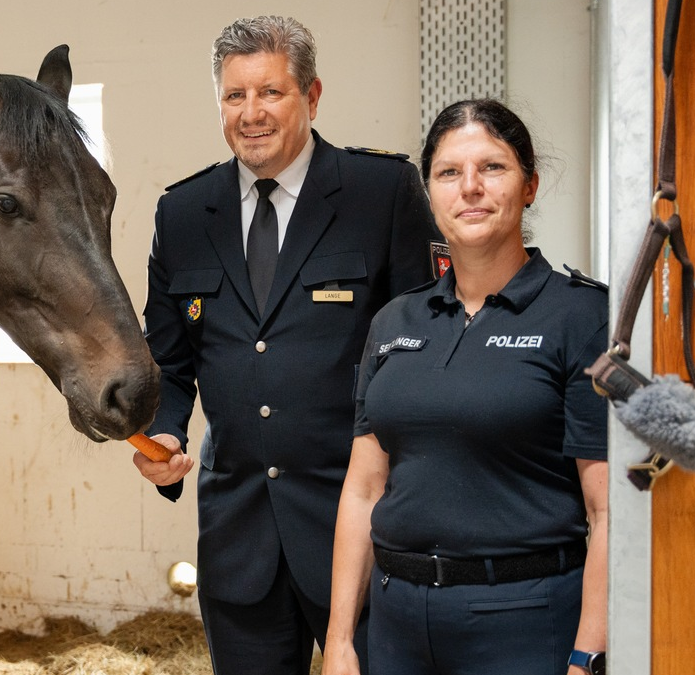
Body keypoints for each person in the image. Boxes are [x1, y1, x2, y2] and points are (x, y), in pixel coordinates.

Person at [134, 15, 443, 675]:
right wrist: (164, 431)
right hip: (237, 537)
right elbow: (169, 360)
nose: (251, 113)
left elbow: (426, 347)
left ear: (312, 95)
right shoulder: (182, 213)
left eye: (270, 92)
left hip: (363, 530)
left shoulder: (380, 192)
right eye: (234, 95)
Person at [322, 98, 609, 675]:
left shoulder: (582, 317)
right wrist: (340, 639)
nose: (470, 187)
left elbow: (608, 512)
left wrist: (588, 657)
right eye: (449, 172)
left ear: (530, 185)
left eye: (493, 167)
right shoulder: (393, 322)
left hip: (524, 622)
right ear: (430, 196)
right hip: (397, 625)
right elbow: (364, 489)